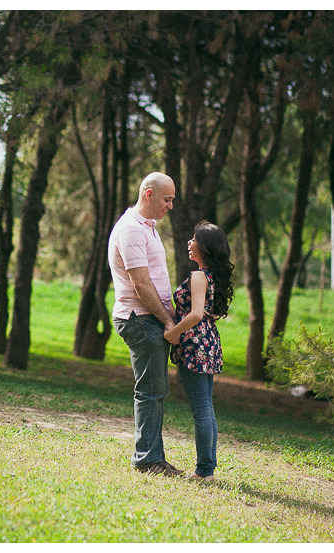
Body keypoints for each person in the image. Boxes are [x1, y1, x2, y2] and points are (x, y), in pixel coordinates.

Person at [108, 172, 183, 477]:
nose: (171, 206)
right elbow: (140, 283)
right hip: (140, 318)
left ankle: (152, 456)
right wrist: (168, 321)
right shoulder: (131, 230)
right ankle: (148, 460)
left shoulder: (147, 227)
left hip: (150, 317)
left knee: (155, 389)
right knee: (151, 391)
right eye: (167, 199)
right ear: (149, 194)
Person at [164, 221, 235, 483]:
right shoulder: (214, 276)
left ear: (203, 247)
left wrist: (172, 333)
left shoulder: (198, 276)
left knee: (202, 410)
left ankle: (205, 471)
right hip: (209, 341)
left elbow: (194, 314)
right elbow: (209, 312)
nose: (189, 243)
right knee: (207, 408)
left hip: (194, 344)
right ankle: (208, 468)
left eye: (194, 239)